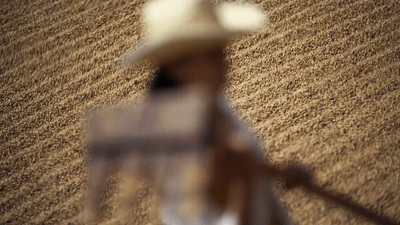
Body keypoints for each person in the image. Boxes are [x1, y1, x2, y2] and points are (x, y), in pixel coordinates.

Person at [121, 0, 292, 224]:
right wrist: (244, 195)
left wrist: (279, 175)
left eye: (222, 52)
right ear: (178, 64)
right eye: (213, 55)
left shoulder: (214, 102)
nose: (225, 64)